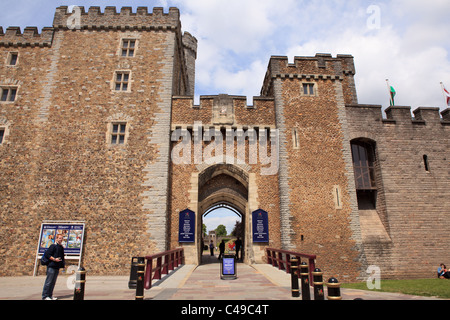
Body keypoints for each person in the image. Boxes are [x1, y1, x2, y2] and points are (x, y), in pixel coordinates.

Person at [42, 233, 65, 300]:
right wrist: (54, 259)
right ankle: (45, 296)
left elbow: (62, 257)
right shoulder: (53, 246)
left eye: (61, 238)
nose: (61, 239)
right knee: (49, 282)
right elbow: (47, 255)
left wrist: (63, 265)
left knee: (53, 282)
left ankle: (50, 295)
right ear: (56, 239)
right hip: (51, 266)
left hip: (56, 266)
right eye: (59, 238)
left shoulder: (61, 247)